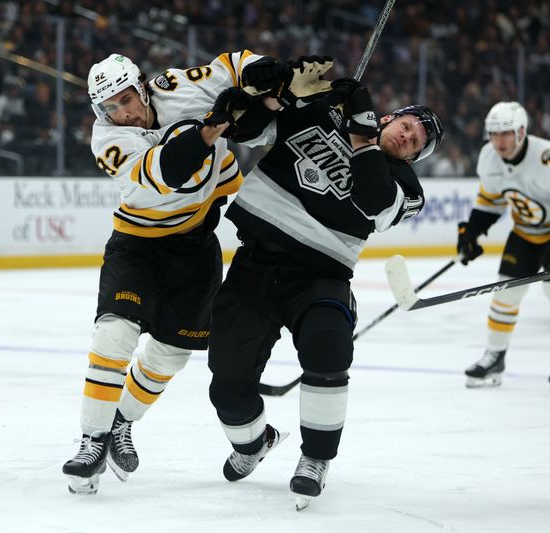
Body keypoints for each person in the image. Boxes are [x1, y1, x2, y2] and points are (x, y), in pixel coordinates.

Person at [62, 51, 334, 495]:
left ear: (142, 87)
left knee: (171, 353)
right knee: (113, 335)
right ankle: (92, 440)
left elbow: (233, 63)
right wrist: (216, 121)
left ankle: (121, 422)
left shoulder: (178, 87)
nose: (122, 112)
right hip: (138, 245)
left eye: (126, 99)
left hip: (196, 247)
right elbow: (170, 170)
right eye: (110, 107)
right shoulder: (108, 140)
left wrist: (269, 73)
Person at [206, 73, 443, 510]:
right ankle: (254, 443)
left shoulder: (406, 188)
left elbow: (373, 200)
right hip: (255, 264)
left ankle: (316, 458)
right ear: (391, 118)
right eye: (408, 126)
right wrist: (286, 93)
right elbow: (247, 129)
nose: (408, 137)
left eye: (416, 143)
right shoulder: (320, 115)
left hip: (320, 278)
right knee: (225, 382)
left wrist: (362, 131)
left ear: (412, 158)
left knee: (328, 350)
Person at [455, 101, 550, 388]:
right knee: (505, 294)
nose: (499, 141)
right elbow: (491, 201)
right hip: (525, 234)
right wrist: (472, 232)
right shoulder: (489, 158)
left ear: (521, 132)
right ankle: (495, 356)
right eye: (494, 134)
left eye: (506, 133)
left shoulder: (544, 157)